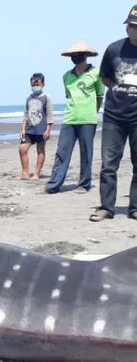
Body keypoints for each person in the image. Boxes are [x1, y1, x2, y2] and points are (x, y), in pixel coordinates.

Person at [91, 5, 137, 222]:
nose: (133, 30)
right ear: (126, 27)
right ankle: (106, 207)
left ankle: (135, 208)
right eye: (131, 26)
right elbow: (105, 78)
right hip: (114, 117)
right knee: (109, 164)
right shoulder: (113, 49)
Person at [44, 41, 105, 195]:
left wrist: (93, 112)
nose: (75, 57)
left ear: (86, 56)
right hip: (70, 119)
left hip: (88, 119)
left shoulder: (96, 73)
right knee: (62, 152)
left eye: (78, 54)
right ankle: (53, 185)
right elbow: (69, 97)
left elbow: (99, 95)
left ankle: (84, 184)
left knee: (86, 153)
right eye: (73, 55)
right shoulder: (66, 76)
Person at [19, 73, 53, 180]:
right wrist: (23, 128)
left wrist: (48, 129)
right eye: (33, 84)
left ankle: (36, 174)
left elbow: (49, 114)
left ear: (43, 84)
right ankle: (25, 173)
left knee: (40, 150)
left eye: (37, 84)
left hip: (41, 129)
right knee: (22, 149)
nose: (35, 86)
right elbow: (26, 114)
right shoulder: (29, 98)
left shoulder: (47, 97)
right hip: (29, 128)